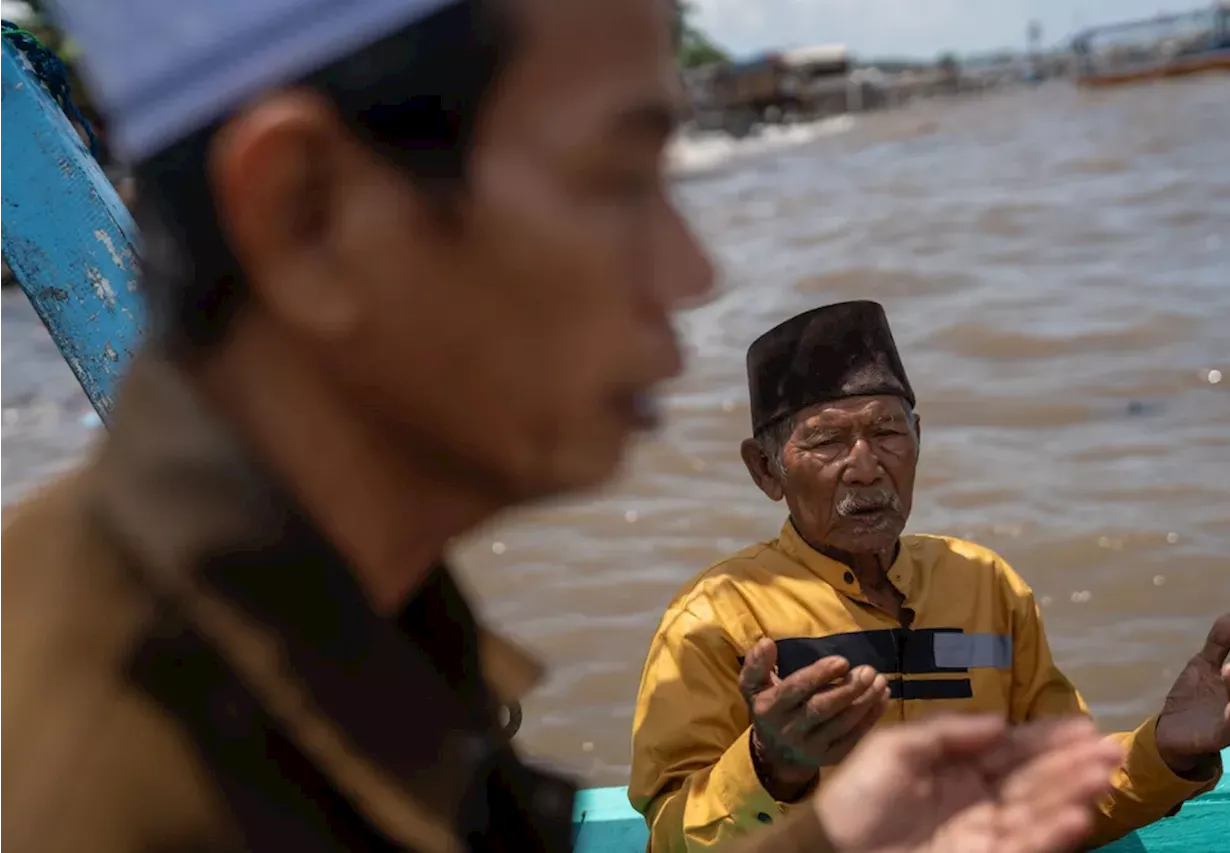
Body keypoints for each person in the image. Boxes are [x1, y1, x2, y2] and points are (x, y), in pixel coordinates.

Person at [0, 0, 1122, 850]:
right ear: (305, 212)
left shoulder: (354, 644)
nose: (688, 270)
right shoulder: (121, 776)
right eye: (611, 176)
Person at [629, 299, 1230, 852]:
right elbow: (669, 837)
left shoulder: (985, 585)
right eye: (826, 441)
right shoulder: (713, 618)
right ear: (765, 469)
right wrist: (770, 767)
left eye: (888, 430)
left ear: (919, 438)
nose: (865, 466)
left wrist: (1166, 750)